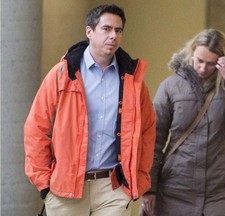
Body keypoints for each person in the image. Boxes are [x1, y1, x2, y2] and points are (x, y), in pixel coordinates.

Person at [24, 4, 156, 216]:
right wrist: (44, 183)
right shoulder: (63, 73)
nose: (113, 35)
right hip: (66, 190)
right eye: (106, 29)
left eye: (118, 30)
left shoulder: (133, 80)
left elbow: (148, 130)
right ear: (89, 32)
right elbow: (35, 128)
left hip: (113, 189)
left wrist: (138, 177)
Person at [141, 29, 225, 216]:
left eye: (211, 64)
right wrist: (149, 188)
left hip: (220, 192)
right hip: (175, 189)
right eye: (199, 60)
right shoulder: (171, 86)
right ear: (191, 53)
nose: (202, 68)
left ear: (222, 61)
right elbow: (154, 138)